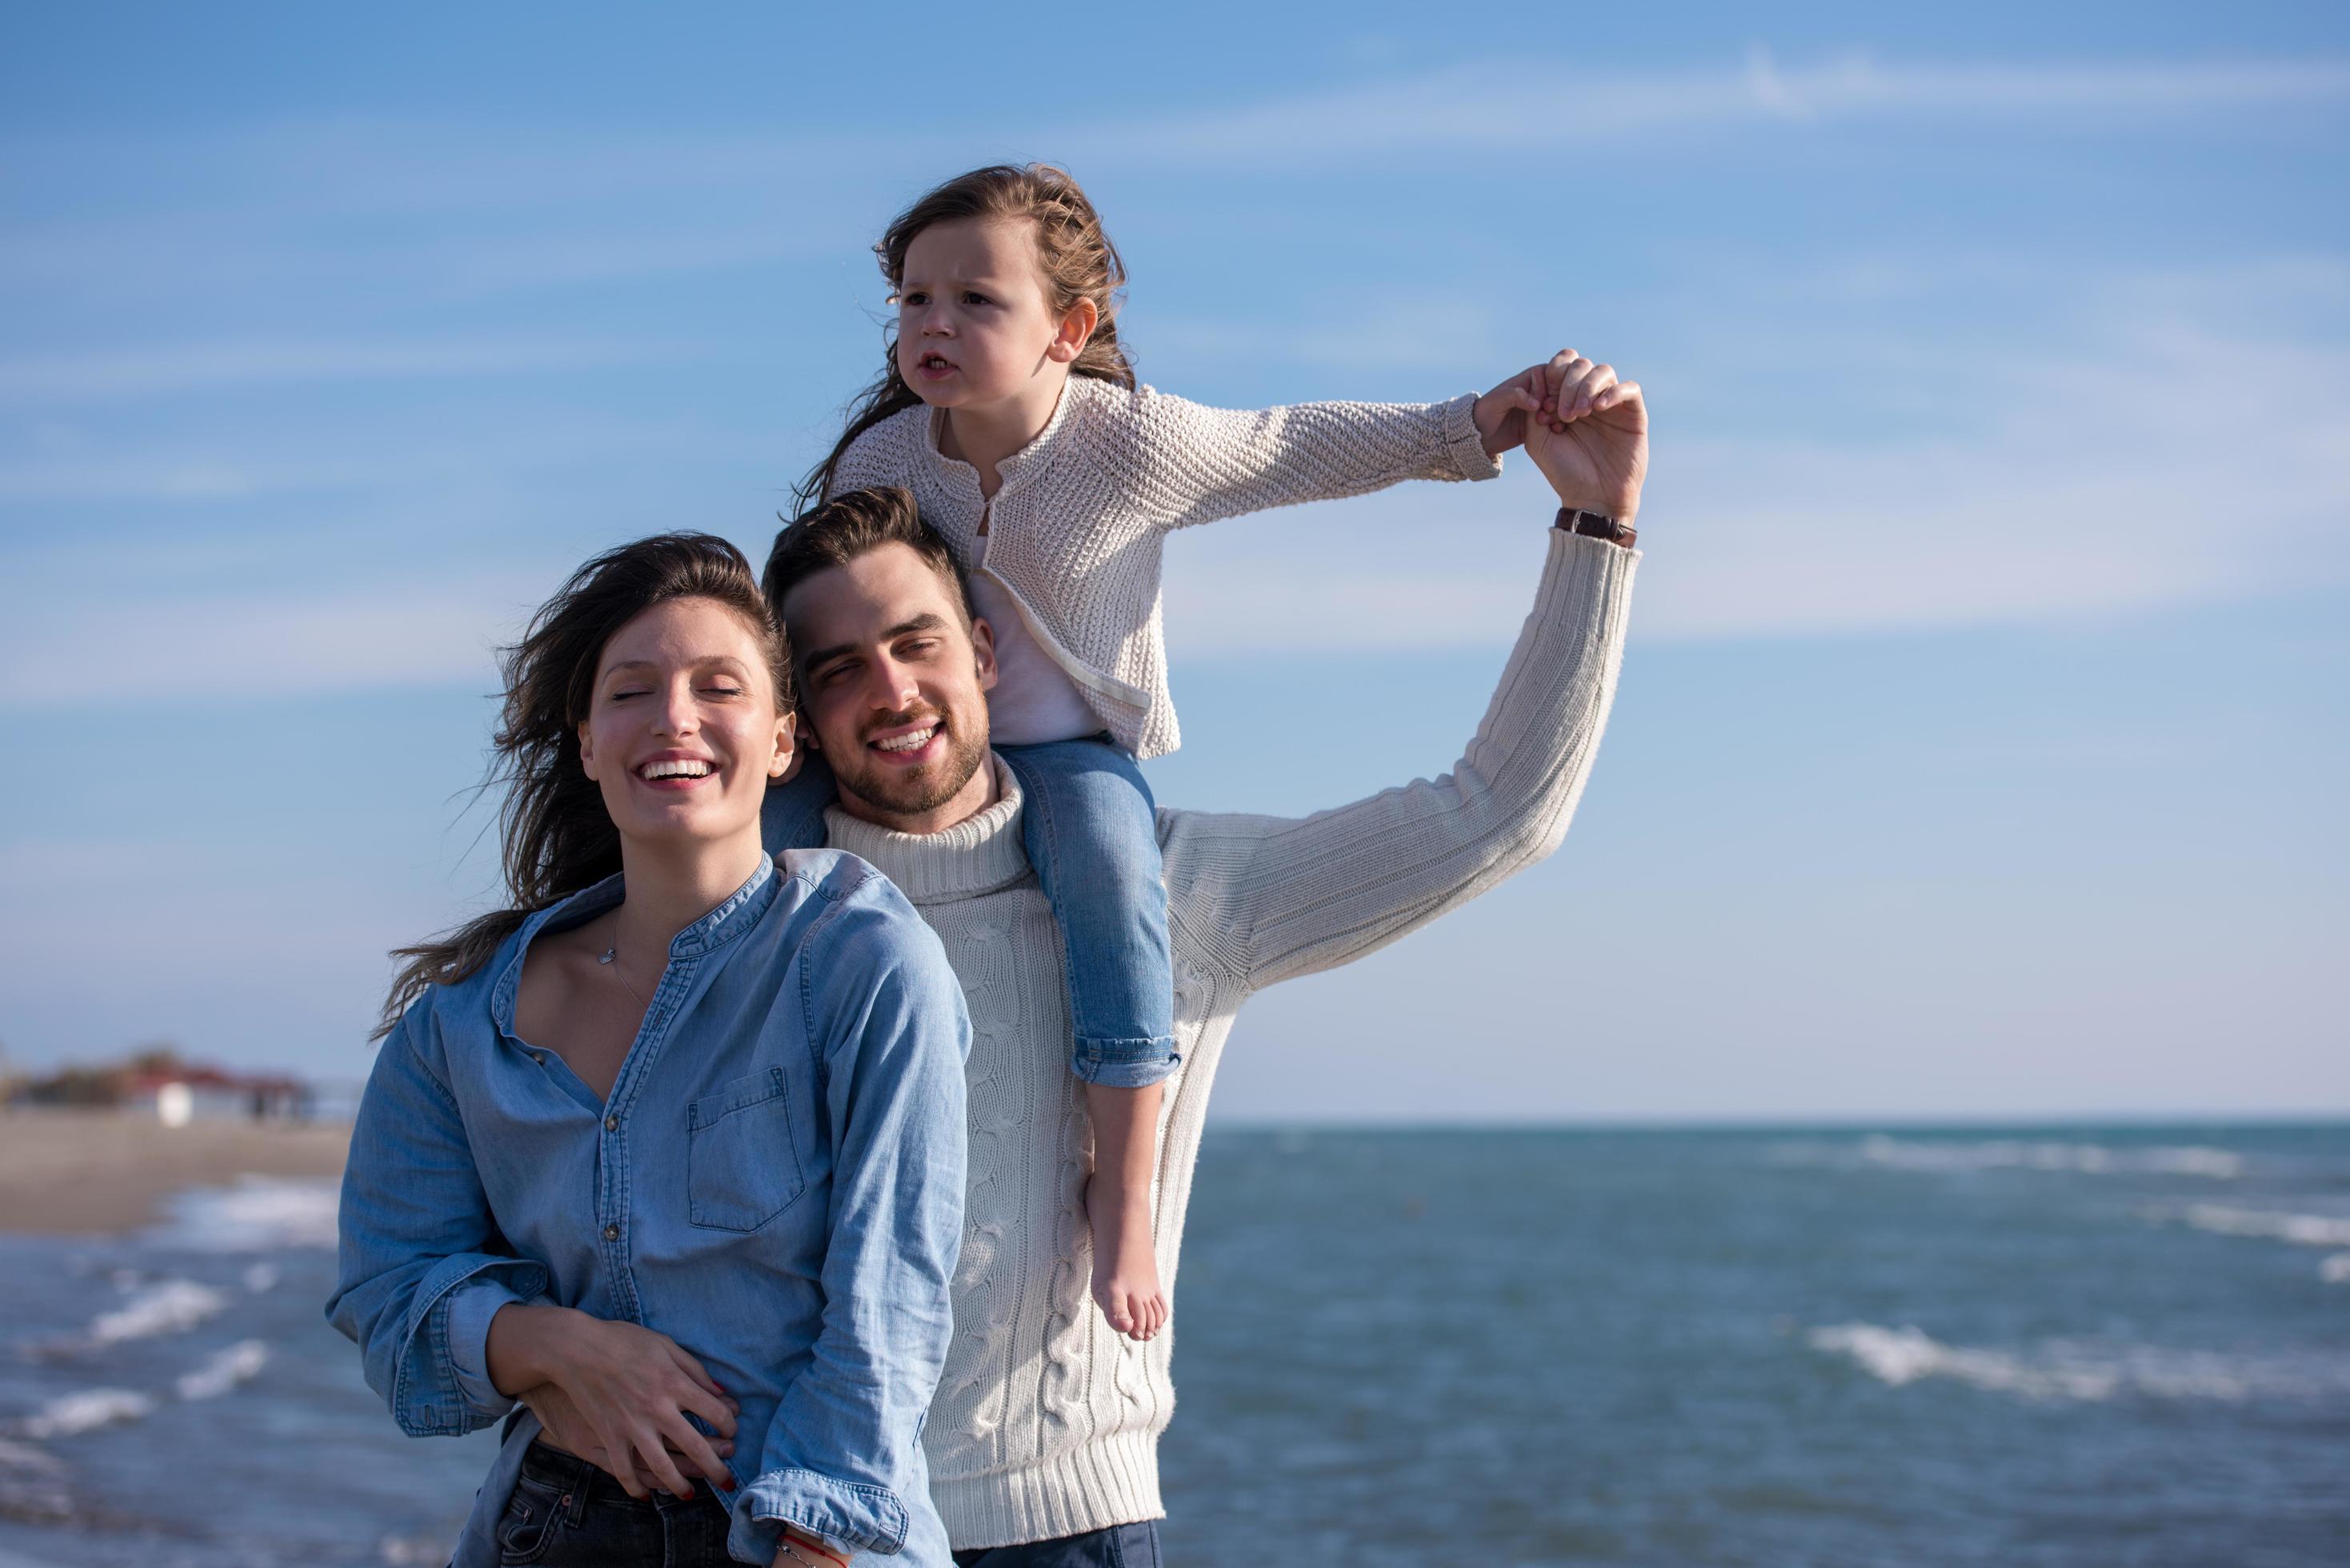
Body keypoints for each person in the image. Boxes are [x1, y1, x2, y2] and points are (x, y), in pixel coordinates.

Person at [659, 358, 1639, 1564]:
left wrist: (1596, 526)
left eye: (916, 645)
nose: (893, 691)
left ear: (982, 651)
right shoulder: (746, 910)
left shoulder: (1167, 893)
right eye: (840, 668)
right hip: (798, 1524)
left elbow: (1496, 815)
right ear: (798, 714)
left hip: (1070, 1525)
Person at [768, 160, 1586, 1344]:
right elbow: (809, 597)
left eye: (975, 301)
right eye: (913, 300)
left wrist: (1470, 428)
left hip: (1070, 753)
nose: (933, 324)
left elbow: (1290, 446)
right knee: (764, 839)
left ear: (1069, 329)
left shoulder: (1128, 444)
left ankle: (1127, 1192)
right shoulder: (882, 463)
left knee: (1112, 884)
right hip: (923, 751)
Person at [328, 534, 971, 1567]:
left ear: (780, 741)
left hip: (801, 1539)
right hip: (543, 1530)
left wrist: (816, 1540)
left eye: (718, 687)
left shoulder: (862, 962)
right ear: (586, 743)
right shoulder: (456, 1031)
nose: (674, 716)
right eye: (632, 691)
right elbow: (383, 1294)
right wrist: (551, 1346)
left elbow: (888, 1304)